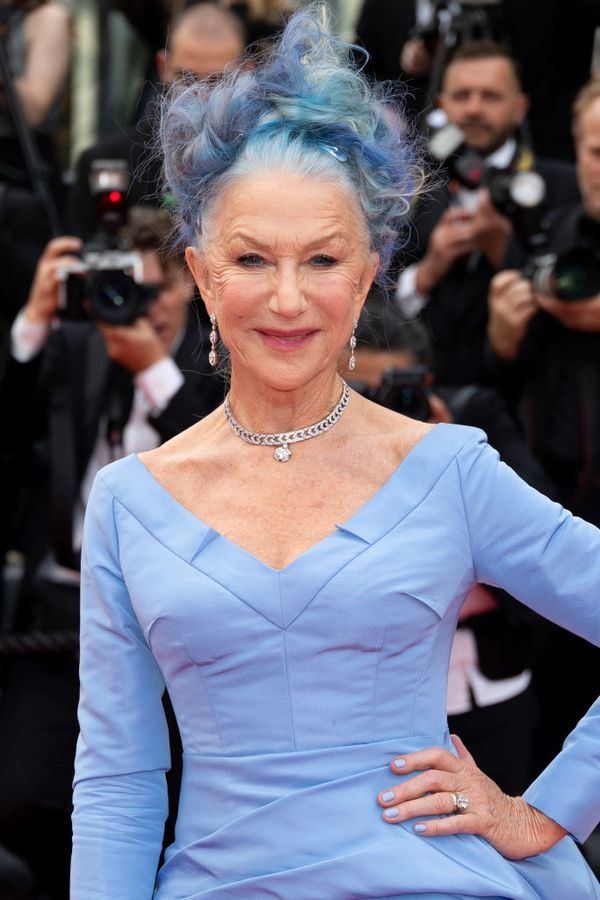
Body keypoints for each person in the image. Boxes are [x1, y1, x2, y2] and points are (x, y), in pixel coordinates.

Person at [71, 8, 600, 898]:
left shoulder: (449, 468)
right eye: (251, 259)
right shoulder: (130, 501)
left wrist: (547, 809)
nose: (286, 299)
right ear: (202, 275)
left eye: (322, 260)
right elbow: (119, 780)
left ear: (365, 279)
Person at [0, 208, 222, 900]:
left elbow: (223, 467)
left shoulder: (220, 359)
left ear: (189, 286)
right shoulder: (80, 341)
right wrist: (35, 320)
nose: (139, 309)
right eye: (123, 288)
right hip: (60, 610)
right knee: (17, 796)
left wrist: (155, 372)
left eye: (155, 292)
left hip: (170, 620)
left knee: (157, 810)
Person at [487, 78, 600, 777]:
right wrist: (501, 339)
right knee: (549, 751)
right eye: (595, 148)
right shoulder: (545, 241)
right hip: (552, 522)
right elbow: (481, 388)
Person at [395, 40, 579, 386]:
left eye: (490, 96)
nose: (474, 109)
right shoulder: (409, 187)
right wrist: (427, 271)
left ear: (520, 107)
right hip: (429, 392)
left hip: (532, 393)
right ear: (442, 105)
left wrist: (506, 252)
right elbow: (374, 306)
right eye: (462, 96)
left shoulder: (565, 188)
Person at [66, 2, 246, 239]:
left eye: (217, 82)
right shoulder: (107, 158)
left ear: (246, 74)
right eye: (188, 79)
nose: (202, 96)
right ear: (163, 66)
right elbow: (78, 257)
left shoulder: (267, 157)